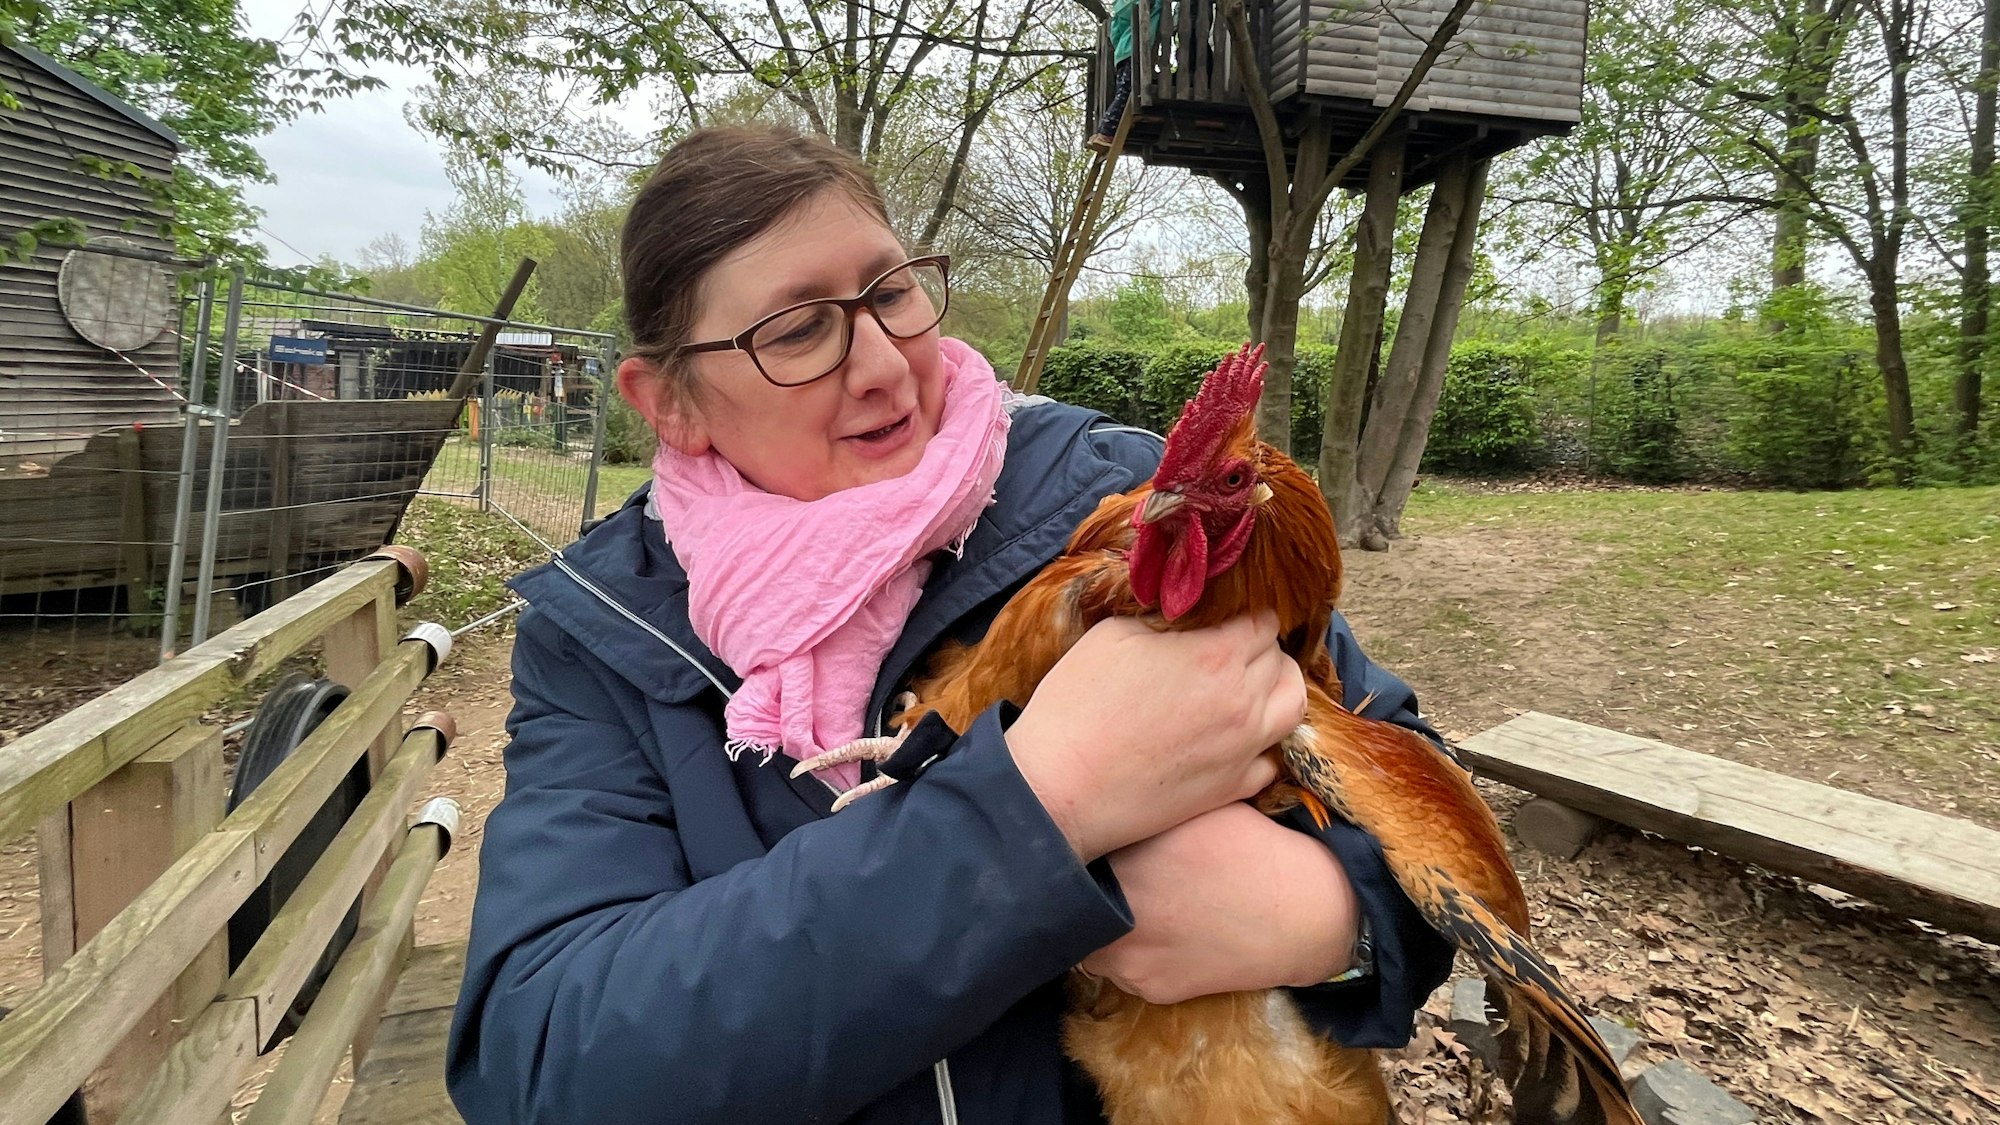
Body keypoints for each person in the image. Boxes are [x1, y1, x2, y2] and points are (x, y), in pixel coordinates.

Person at [446, 124, 1454, 1125]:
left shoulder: (1112, 497)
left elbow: (1419, 813)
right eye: (797, 330)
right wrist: (1033, 811)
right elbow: (543, 1067)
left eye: (889, 293)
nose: (883, 363)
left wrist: (1323, 920)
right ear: (669, 403)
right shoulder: (599, 638)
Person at [1089, 0, 1166, 150]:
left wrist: (1121, 49)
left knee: (1122, 92)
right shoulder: (1149, 3)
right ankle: (1106, 132)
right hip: (1137, 51)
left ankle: (1101, 132)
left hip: (1122, 54)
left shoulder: (1120, 8)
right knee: (1126, 93)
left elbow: (1115, 34)